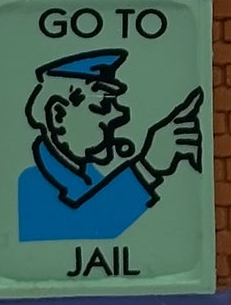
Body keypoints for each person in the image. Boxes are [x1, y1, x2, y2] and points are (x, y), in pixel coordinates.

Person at [15, 48, 204, 242]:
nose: (120, 115)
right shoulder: (32, 183)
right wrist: (148, 166)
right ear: (59, 115)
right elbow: (87, 224)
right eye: (104, 105)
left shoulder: (90, 178)